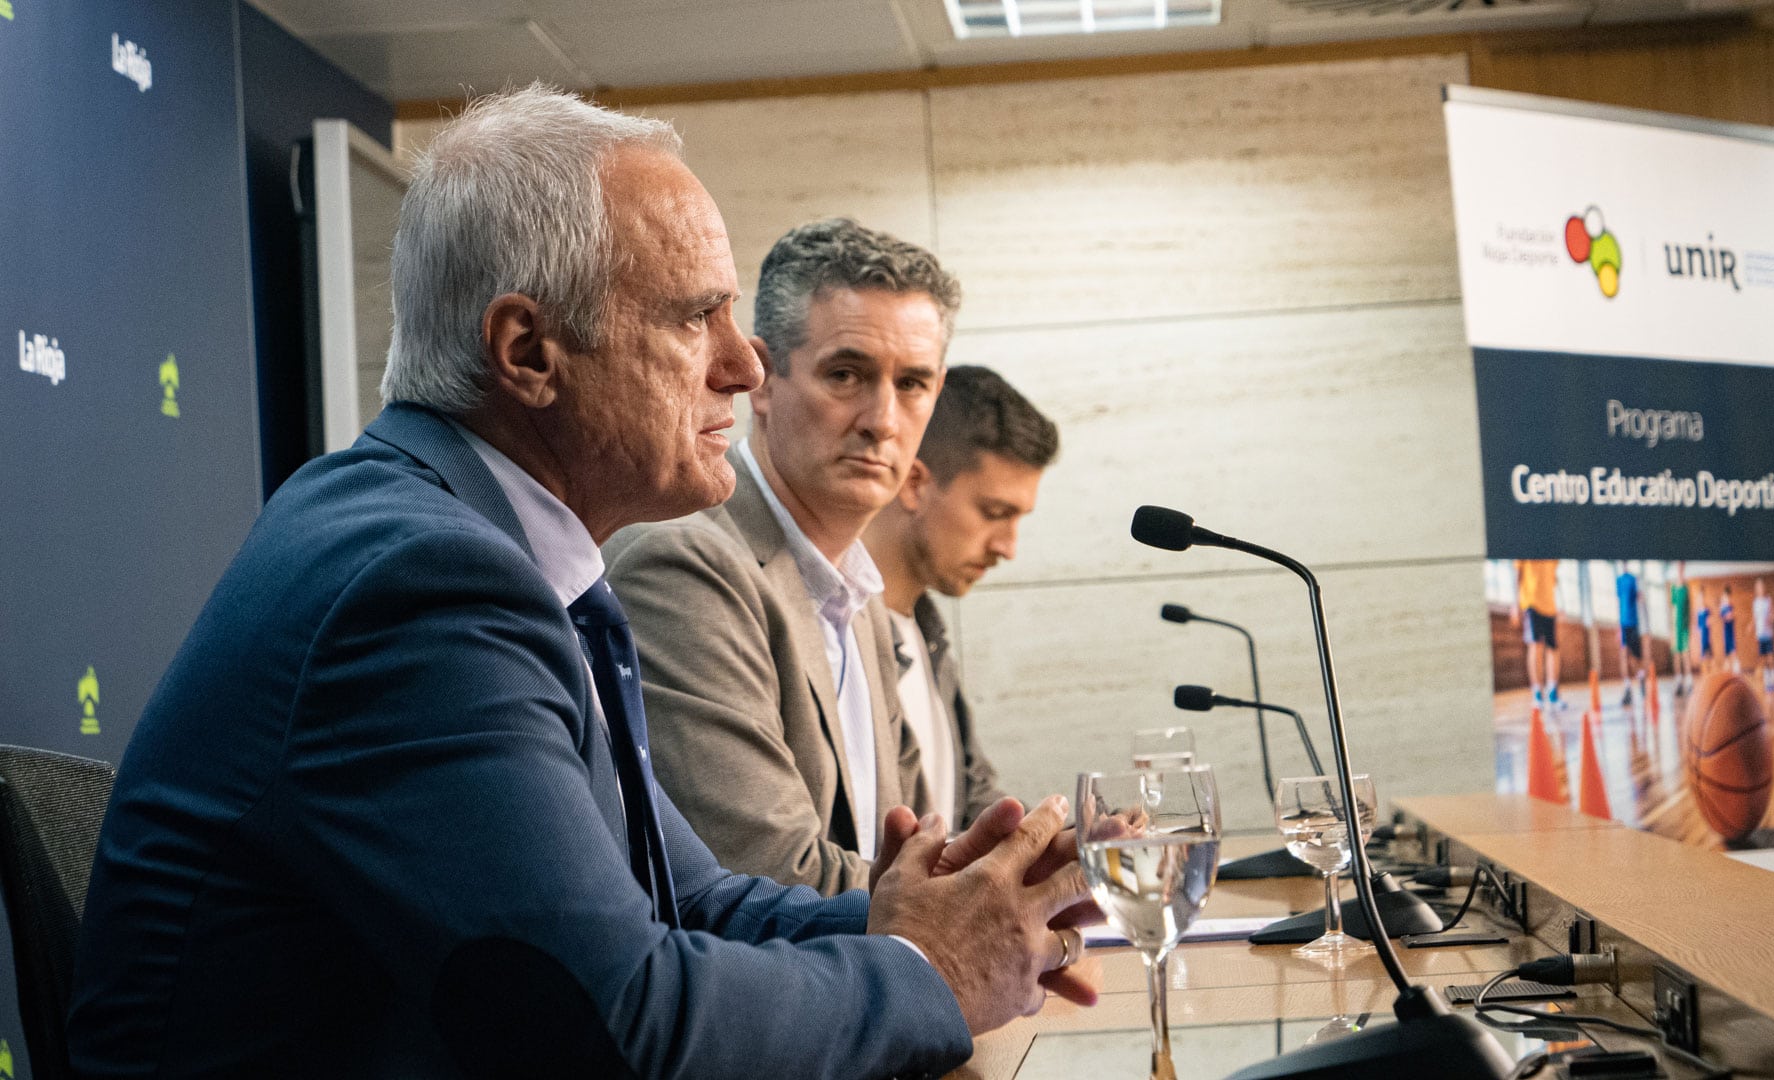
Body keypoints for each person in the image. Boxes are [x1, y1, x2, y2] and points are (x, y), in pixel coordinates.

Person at [69, 87, 1092, 1079]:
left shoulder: (494, 551)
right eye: (699, 320)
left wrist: (923, 916)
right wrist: (931, 973)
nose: (743, 367)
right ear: (528, 352)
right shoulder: (421, 585)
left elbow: (694, 903)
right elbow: (619, 1026)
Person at [603, 218, 957, 896]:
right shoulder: (683, 563)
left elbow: (909, 853)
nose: (882, 419)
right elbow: (766, 875)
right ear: (761, 380)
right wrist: (990, 895)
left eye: (912, 383)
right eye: (847, 375)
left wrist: (1049, 864)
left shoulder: (859, 594)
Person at [863, 366, 1059, 826]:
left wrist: (1083, 845)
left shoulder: (926, 631)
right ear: (914, 485)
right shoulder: (834, 638)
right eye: (994, 513)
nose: (1007, 547)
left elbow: (973, 811)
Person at [1513, 559, 1562, 711]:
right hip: (1531, 602)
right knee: (1536, 645)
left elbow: (1555, 578)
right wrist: (1515, 604)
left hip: (1550, 606)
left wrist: (1562, 604)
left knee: (1553, 648)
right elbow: (1518, 575)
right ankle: (1537, 693)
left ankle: (1553, 692)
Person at [1613, 561, 1644, 706]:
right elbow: (1618, 602)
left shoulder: (1633, 579)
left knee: (1634, 658)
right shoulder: (1618, 580)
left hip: (1634, 623)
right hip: (1623, 623)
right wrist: (1618, 625)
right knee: (1624, 654)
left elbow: (1639, 598)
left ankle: (1641, 676)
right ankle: (1627, 688)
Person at [1669, 561, 1693, 695]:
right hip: (1675, 626)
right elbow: (1672, 608)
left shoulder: (1686, 588)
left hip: (1684, 627)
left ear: (1683, 568)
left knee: (1686, 653)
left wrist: (1691, 626)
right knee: (1676, 655)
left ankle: (1689, 681)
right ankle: (1678, 681)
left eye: (1681, 566)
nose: (1679, 569)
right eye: (1678, 566)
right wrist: (1671, 629)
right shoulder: (1673, 588)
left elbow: (1690, 609)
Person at [1754, 576, 1774, 691]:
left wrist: (1771, 618)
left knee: (1771, 658)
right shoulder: (1755, 603)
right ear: (1756, 589)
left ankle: (1773, 679)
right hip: (1760, 634)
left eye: (1762, 586)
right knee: (1763, 659)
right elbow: (1755, 618)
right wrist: (1751, 627)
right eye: (1758, 586)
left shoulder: (1768, 600)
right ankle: (1768, 682)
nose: (1760, 588)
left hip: (1768, 634)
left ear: (1764, 587)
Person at [1721, 584, 1738, 675]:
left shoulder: (1731, 606)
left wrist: (1731, 615)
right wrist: (1728, 616)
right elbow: (1724, 617)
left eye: (1727, 596)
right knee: (1727, 654)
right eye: (1724, 596)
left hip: (1731, 633)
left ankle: (1735, 671)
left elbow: (1733, 617)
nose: (1726, 598)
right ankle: (1726, 672)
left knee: (1733, 652)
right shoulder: (1723, 608)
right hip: (1726, 633)